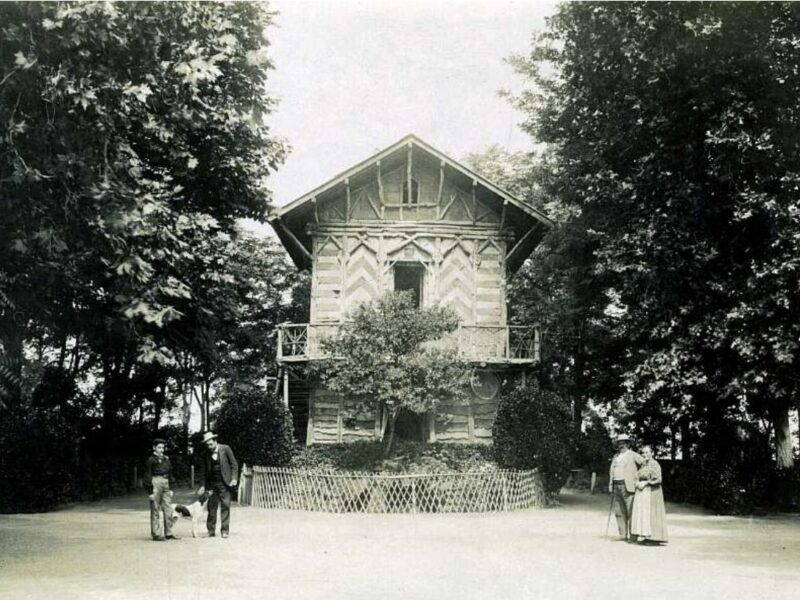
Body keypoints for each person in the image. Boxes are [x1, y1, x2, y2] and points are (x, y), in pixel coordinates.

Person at [197, 431, 238, 539]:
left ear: (215, 441)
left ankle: (225, 531)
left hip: (225, 483)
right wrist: (202, 485)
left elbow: (234, 464)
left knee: (225, 506)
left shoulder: (226, 449)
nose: (209, 447)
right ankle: (210, 531)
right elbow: (203, 471)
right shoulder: (205, 453)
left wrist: (234, 478)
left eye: (211, 444)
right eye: (207, 445)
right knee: (211, 507)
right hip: (211, 484)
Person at [630, 445, 668, 544]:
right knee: (644, 514)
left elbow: (658, 479)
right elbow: (637, 475)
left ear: (652, 453)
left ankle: (655, 538)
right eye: (643, 453)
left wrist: (646, 483)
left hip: (653, 492)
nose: (645, 454)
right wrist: (637, 483)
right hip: (643, 492)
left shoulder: (655, 464)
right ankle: (646, 536)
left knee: (652, 513)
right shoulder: (643, 464)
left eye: (647, 452)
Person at [608, 434, 643, 541]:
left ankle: (633, 535)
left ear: (628, 444)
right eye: (619, 443)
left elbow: (644, 463)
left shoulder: (633, 455)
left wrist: (639, 477)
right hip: (616, 485)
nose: (621, 445)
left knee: (630, 510)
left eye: (623, 442)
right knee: (619, 511)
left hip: (628, 486)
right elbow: (611, 471)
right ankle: (623, 534)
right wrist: (610, 484)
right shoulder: (616, 456)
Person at [143, 438, 179, 541]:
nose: (161, 450)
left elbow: (170, 473)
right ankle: (156, 533)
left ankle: (169, 532)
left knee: (168, 508)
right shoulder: (150, 460)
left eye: (163, 447)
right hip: (155, 482)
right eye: (159, 447)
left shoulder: (166, 459)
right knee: (155, 509)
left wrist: (171, 487)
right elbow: (147, 476)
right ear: (154, 448)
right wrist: (150, 491)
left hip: (166, 482)